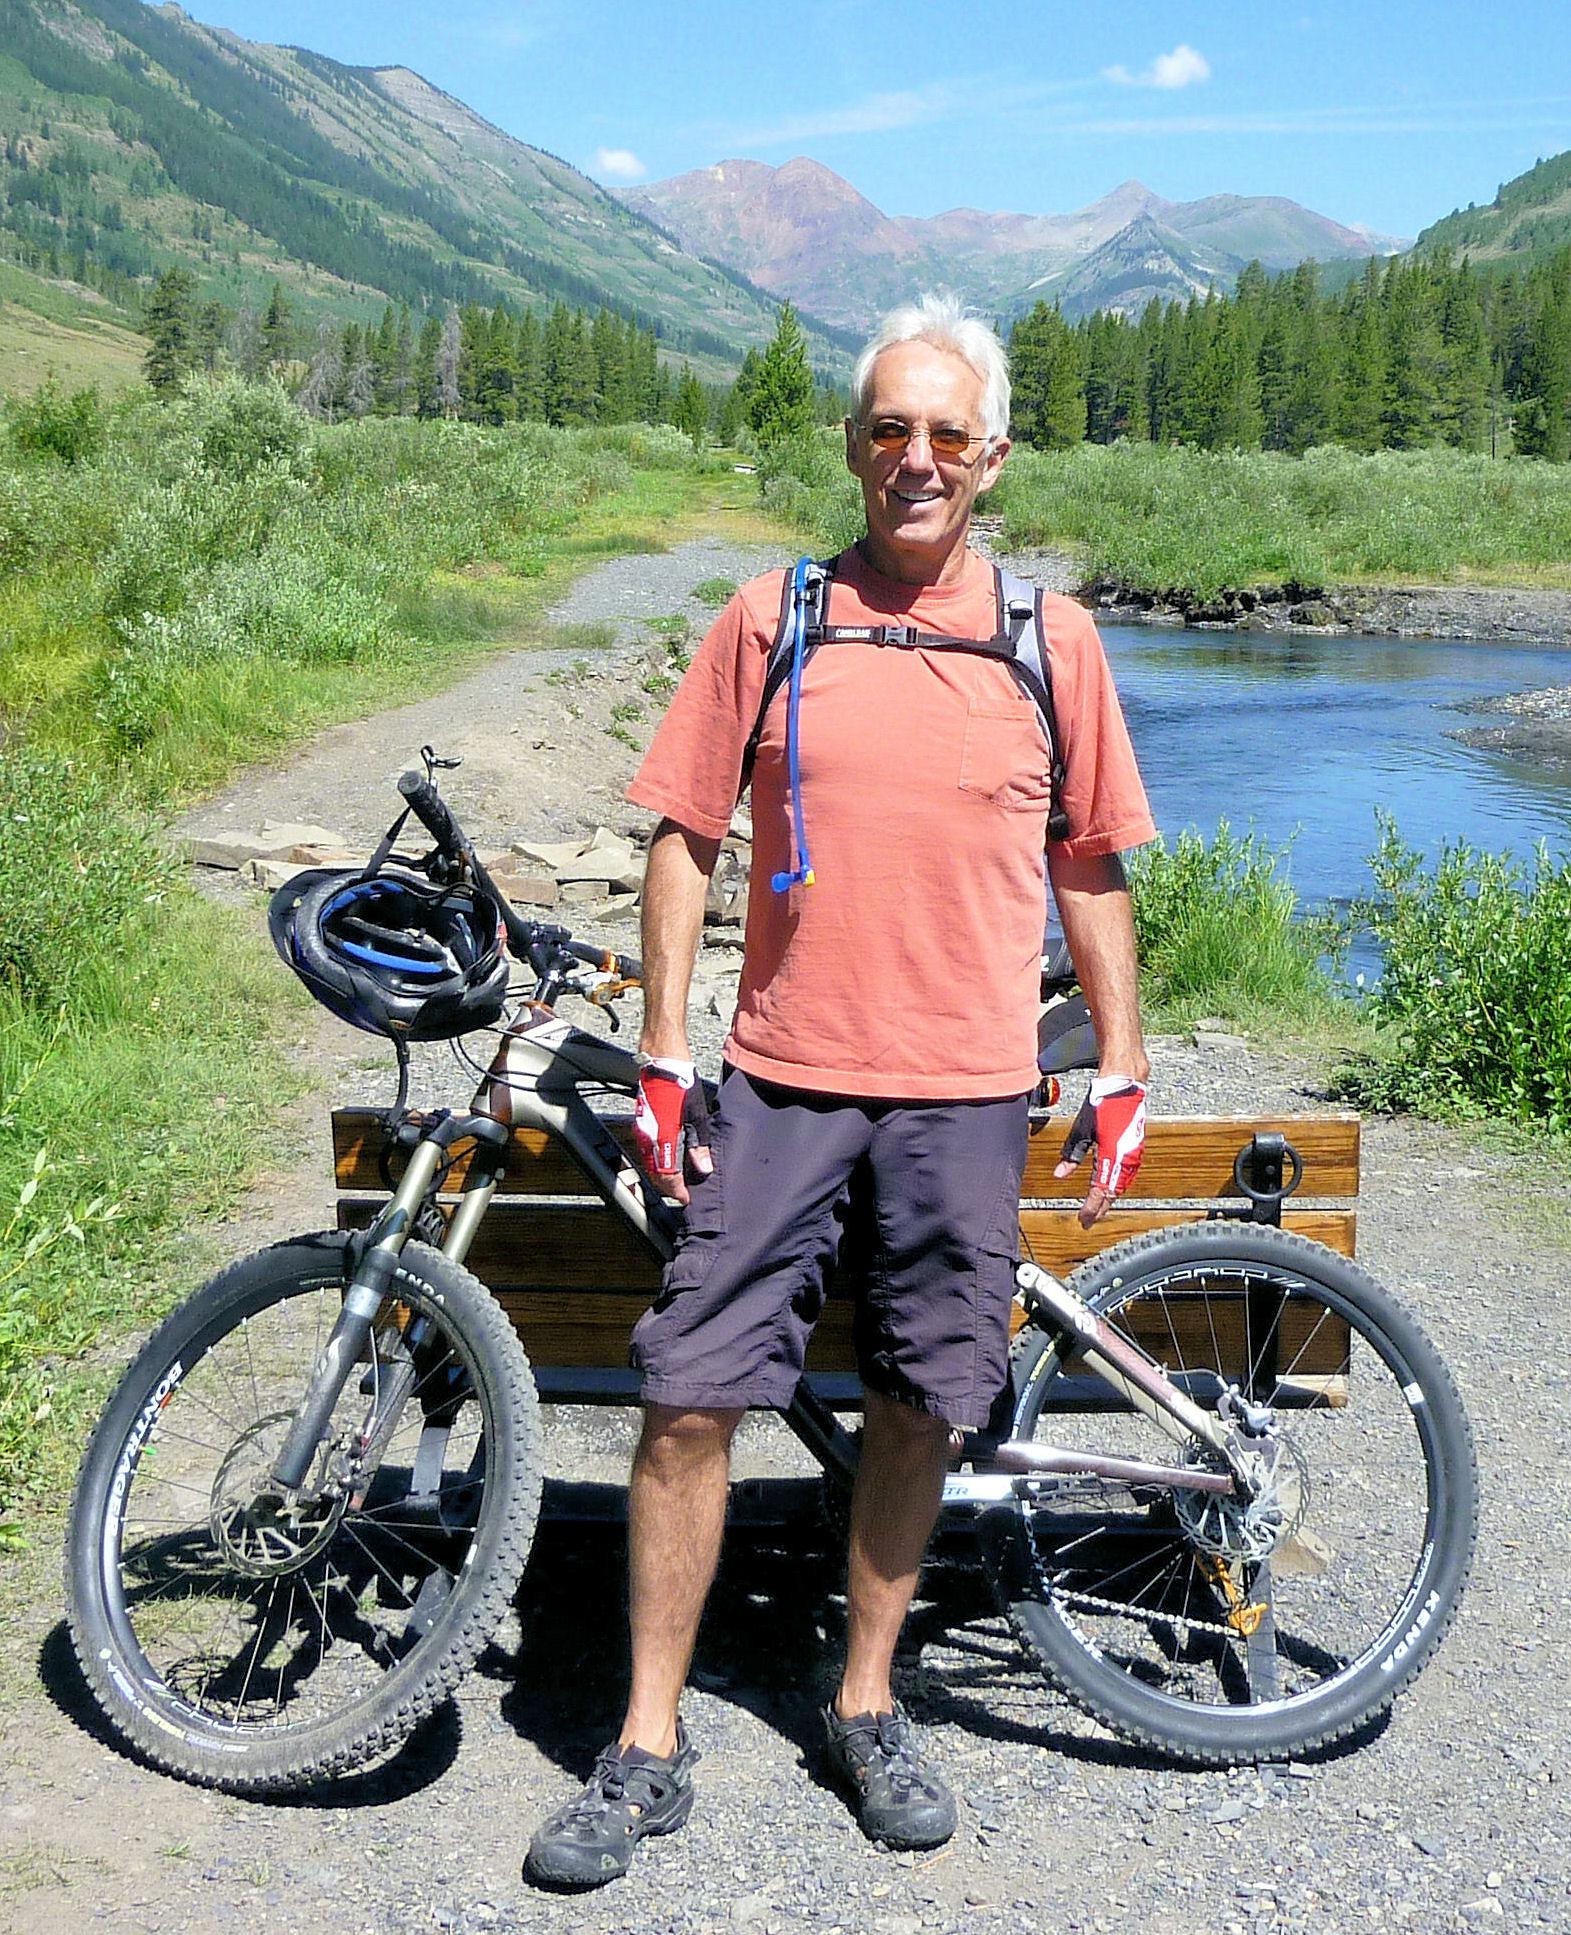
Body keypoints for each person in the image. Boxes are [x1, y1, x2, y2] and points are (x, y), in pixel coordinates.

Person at [524, 292, 1156, 1889]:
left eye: (949, 434)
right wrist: (667, 1052)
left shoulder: (1048, 638)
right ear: (855, 447)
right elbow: (682, 836)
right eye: (891, 429)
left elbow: (1090, 863)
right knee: (690, 1393)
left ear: (993, 458)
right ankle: (646, 1741)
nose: (918, 458)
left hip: (965, 1090)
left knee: (924, 1396)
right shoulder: (772, 616)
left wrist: (1126, 1059)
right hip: (786, 1079)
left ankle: (865, 1702)